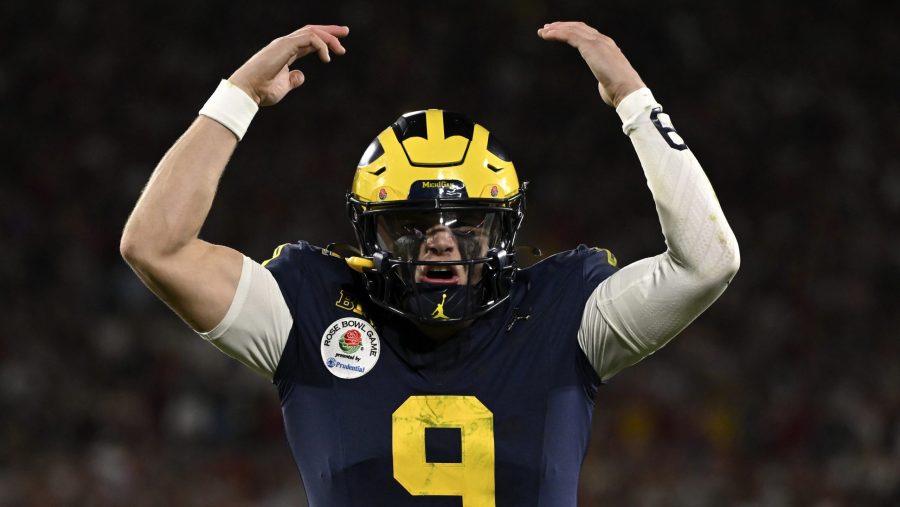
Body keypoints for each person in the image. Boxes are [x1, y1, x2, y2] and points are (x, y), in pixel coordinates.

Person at [121, 21, 739, 507]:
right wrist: (238, 98)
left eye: (466, 224)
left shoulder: (561, 311)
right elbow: (156, 246)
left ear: (503, 226)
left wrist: (634, 100)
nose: (441, 243)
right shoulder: (314, 305)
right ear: (370, 229)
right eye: (412, 226)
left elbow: (708, 263)